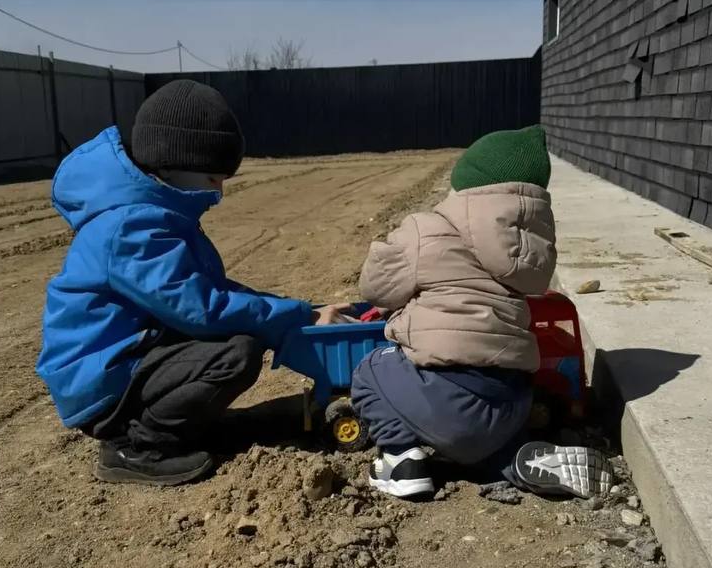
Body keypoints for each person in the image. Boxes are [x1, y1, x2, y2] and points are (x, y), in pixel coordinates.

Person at [36, 79, 345, 485]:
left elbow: (208, 292)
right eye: (214, 178)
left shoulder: (150, 214)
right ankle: (139, 446)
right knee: (235, 353)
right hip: (103, 383)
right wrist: (293, 316)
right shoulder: (132, 228)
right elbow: (205, 308)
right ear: (173, 163)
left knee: (233, 339)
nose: (219, 192)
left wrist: (301, 311)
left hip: (128, 358)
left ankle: (181, 427)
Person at [351, 124, 611, 501]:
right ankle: (515, 462)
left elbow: (375, 288)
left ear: (465, 185)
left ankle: (401, 462)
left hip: (447, 397)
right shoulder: (531, 251)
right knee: (476, 447)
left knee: (370, 370)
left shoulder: (428, 230)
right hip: (512, 402)